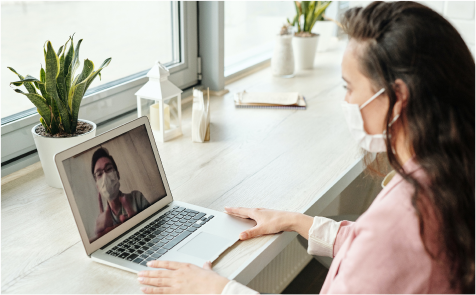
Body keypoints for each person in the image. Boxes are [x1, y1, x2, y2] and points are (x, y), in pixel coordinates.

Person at [135, 1, 476, 294]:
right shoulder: (449, 171)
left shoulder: (402, 219)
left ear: (397, 98)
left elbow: (385, 245)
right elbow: (384, 255)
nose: (345, 100)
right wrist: (300, 222)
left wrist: (216, 288)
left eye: (349, 86)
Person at [92, 147, 150, 241]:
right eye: (99, 174)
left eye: (109, 169)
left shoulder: (137, 198)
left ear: (118, 174)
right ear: (97, 186)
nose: (105, 176)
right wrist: (102, 239)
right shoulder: (102, 222)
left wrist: (138, 223)